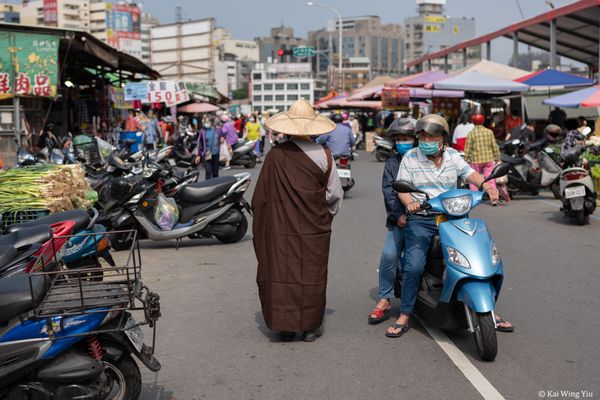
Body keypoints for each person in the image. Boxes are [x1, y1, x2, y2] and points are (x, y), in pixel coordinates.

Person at [387, 114, 512, 338]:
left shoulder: (453, 156)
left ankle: (490, 309)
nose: (426, 140)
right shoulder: (411, 158)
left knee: (478, 256)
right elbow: (402, 189)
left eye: (431, 136)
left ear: (443, 138)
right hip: (423, 217)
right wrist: (410, 203)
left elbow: (471, 173)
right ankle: (405, 313)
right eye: (423, 136)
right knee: (414, 265)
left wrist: (487, 185)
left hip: (454, 217)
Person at [253, 99, 343, 342]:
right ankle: (311, 326)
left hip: (280, 229)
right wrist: (323, 217)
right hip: (314, 228)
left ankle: (285, 324)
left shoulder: (275, 156)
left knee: (283, 270)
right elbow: (334, 194)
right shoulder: (325, 155)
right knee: (312, 273)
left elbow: (261, 197)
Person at [368, 118, 417, 325]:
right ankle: (385, 299)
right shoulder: (392, 162)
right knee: (389, 255)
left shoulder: (428, 158)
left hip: (431, 217)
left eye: (406, 138)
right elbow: (389, 192)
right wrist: (398, 217)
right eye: (398, 139)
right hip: (400, 218)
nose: (401, 142)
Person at [464, 112, 501, 205]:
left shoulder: (471, 133)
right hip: (488, 160)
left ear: (473, 121)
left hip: (475, 161)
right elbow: (494, 146)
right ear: (483, 121)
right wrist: (497, 157)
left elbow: (467, 149)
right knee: (491, 180)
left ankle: (475, 199)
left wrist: (465, 159)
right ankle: (494, 199)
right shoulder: (489, 132)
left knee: (474, 181)